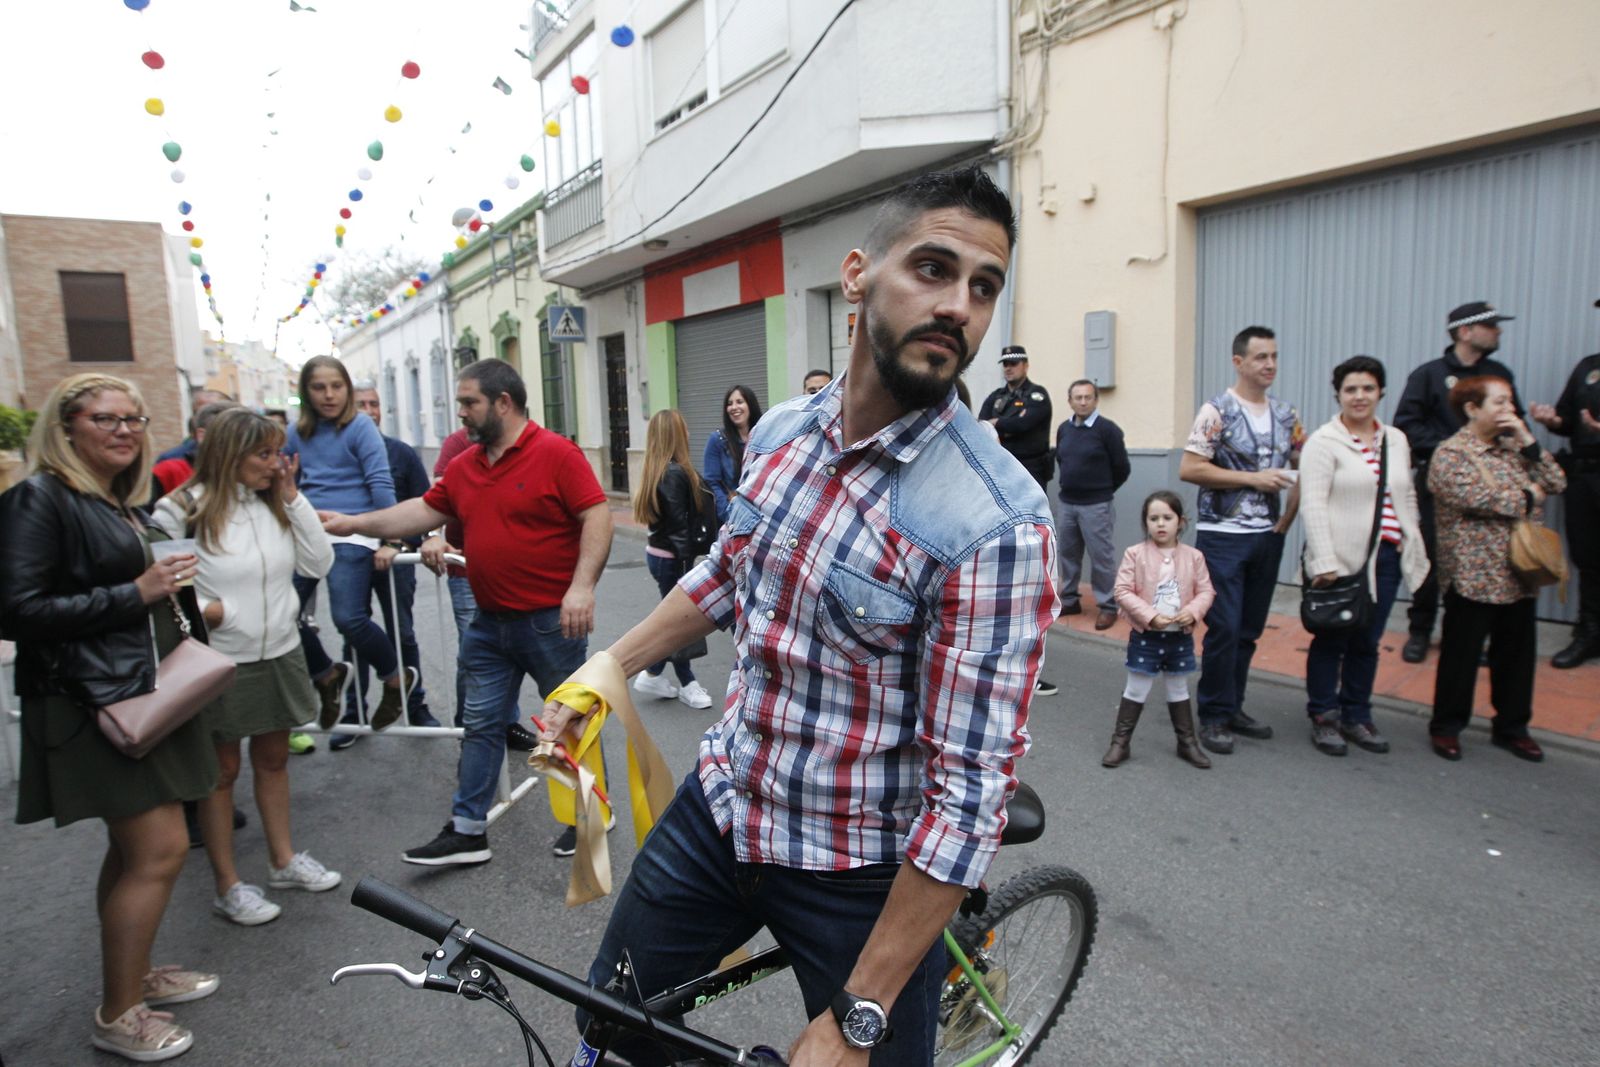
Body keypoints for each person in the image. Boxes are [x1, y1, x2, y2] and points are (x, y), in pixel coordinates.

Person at [543, 165, 1058, 1065]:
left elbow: (968, 796)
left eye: (984, 287)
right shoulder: (782, 432)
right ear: (857, 275)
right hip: (724, 806)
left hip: (858, 870)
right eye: (933, 269)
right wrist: (606, 670)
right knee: (607, 1020)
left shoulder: (995, 521)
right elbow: (729, 573)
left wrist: (859, 1015)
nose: (961, 307)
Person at [0, 373, 219, 1062]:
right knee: (159, 849)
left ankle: (135, 972)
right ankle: (119, 1011)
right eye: (105, 418)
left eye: (133, 418)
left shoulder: (106, 499)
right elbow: (18, 611)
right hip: (91, 700)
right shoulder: (40, 497)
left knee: (133, 849)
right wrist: (137, 591)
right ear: (66, 427)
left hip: (132, 689)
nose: (124, 430)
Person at [322, 358, 614, 865]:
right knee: (479, 723)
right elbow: (421, 510)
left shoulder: (556, 454)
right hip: (489, 622)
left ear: (504, 402)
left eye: (469, 403)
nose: (460, 413)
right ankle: (467, 831)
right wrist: (354, 524)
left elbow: (597, 514)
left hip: (550, 621)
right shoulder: (465, 465)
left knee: (569, 722)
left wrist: (581, 588)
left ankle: (588, 815)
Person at [152, 409, 341, 925]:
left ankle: (282, 861)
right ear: (230, 455)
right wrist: (221, 614)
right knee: (221, 772)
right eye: (264, 454)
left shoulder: (273, 502)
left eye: (278, 452)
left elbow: (317, 564)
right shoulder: (180, 509)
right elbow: (173, 591)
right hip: (219, 658)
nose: (276, 463)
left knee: (274, 759)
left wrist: (292, 497)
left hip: (279, 648)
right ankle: (228, 884)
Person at [1180, 325, 1304, 755]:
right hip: (1223, 535)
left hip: (1267, 536)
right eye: (1260, 357)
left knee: (1249, 630)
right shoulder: (1217, 411)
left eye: (1273, 356)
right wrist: (1251, 478)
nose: (1269, 365)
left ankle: (1233, 707)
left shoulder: (1287, 415)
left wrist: (1286, 522)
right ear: (1239, 362)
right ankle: (1212, 713)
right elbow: (1190, 468)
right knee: (1225, 628)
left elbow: (1303, 467)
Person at [1426, 377, 1565, 762]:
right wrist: (1526, 497)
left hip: (1520, 570)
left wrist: (1525, 434)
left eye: (1510, 403)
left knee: (1516, 656)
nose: (1509, 410)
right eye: (1499, 403)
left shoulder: (1514, 448)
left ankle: (1512, 727)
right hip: (1472, 572)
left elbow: (1555, 481)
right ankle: (1447, 726)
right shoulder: (1451, 453)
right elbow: (1473, 496)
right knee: (1461, 655)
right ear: (1472, 408)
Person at [1298, 357, 1429, 757]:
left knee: (1367, 641)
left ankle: (1357, 713)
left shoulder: (1395, 439)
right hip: (1340, 558)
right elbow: (1313, 503)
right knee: (1331, 637)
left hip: (1385, 559)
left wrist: (1410, 533)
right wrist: (1324, 561)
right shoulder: (1324, 441)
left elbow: (1405, 491)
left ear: (1381, 392)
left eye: (1368, 388)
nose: (1359, 396)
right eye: (1351, 389)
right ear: (1338, 394)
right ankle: (1324, 715)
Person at [286, 356, 415, 737]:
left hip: (353, 532)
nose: (328, 395)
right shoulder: (296, 433)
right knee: (282, 615)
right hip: (306, 533)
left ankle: (395, 679)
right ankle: (327, 675)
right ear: (306, 392)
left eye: (336, 386)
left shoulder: (360, 427)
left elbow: (380, 483)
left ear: (346, 389)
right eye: (318, 387)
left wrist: (390, 536)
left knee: (347, 617)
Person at [1393, 302, 1523, 664]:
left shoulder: (1499, 375)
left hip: (1488, 488)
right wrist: (1454, 450)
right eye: (1490, 325)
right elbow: (1406, 424)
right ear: (1465, 331)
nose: (1498, 331)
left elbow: (1516, 422)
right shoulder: (1429, 375)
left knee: (1478, 562)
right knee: (1432, 558)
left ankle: (1465, 637)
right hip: (1439, 484)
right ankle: (1419, 631)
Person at [331, 381, 442, 751]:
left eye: (374, 403)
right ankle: (353, 714)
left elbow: (424, 508)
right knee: (354, 635)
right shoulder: (338, 455)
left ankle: (415, 706)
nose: (368, 409)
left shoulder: (402, 454)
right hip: (349, 559)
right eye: (360, 403)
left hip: (397, 561)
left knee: (403, 633)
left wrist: (402, 543)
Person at [1104, 490, 1214, 769]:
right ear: (1146, 522)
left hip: (1180, 637)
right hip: (1146, 636)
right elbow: (1122, 590)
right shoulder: (1135, 554)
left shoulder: (1194, 557)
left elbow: (1205, 590)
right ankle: (1120, 742)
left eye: (1167, 517)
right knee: (1136, 687)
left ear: (1181, 521)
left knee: (1178, 687)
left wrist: (1192, 612)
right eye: (1154, 518)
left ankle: (1187, 742)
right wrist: (1150, 616)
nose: (1160, 524)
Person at [629, 409, 715, 710]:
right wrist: (686, 563)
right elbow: (679, 528)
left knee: (675, 621)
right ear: (676, 435)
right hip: (672, 559)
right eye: (685, 429)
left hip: (660, 554)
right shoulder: (675, 473)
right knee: (678, 624)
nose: (690, 434)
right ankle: (685, 682)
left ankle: (654, 674)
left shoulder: (659, 469)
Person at [1530, 302, 1600, 669]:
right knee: (1588, 558)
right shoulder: (1589, 367)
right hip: (1586, 475)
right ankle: (1589, 632)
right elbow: (1569, 421)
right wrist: (1551, 421)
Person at [1054, 378, 1130, 630]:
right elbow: (1062, 462)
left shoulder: (1108, 430)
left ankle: (1108, 606)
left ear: (1096, 400)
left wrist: (1101, 490)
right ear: (1070, 401)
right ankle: (1070, 600)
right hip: (1067, 504)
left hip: (1096, 505)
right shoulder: (1064, 429)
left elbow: (1122, 468)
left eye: (1088, 397)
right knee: (1068, 555)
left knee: (1102, 558)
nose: (1083, 402)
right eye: (1078, 397)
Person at [978, 344, 1053, 489]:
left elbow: (1023, 424)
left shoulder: (1037, 394)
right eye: (1005, 364)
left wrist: (997, 422)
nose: (1008, 368)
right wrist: (1008, 423)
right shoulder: (996, 396)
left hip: (1030, 468)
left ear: (1025, 366)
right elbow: (982, 425)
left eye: (1013, 364)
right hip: (1001, 466)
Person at [151, 401, 239, 499]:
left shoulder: (248, 476)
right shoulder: (168, 472)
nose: (238, 444)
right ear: (202, 435)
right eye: (228, 435)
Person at [703, 384, 763, 524]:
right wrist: (728, 513)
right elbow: (711, 482)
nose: (734, 407)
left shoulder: (764, 436)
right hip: (731, 519)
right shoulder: (717, 440)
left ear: (751, 405)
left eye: (739, 402)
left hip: (761, 516)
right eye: (729, 404)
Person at [153, 388, 233, 466]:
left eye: (215, 412)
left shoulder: (242, 457)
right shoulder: (171, 461)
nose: (205, 418)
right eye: (198, 413)